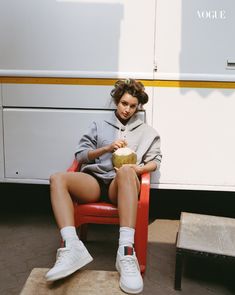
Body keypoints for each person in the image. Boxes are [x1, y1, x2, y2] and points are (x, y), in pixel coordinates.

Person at [45, 79, 162, 294]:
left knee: (127, 171)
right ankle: (72, 248)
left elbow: (156, 161)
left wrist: (137, 169)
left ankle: (126, 253)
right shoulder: (99, 125)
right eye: (124, 103)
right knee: (57, 178)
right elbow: (81, 155)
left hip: (122, 186)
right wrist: (106, 148)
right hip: (96, 182)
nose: (127, 109)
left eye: (132, 106)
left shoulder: (147, 131)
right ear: (117, 101)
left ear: (138, 107)